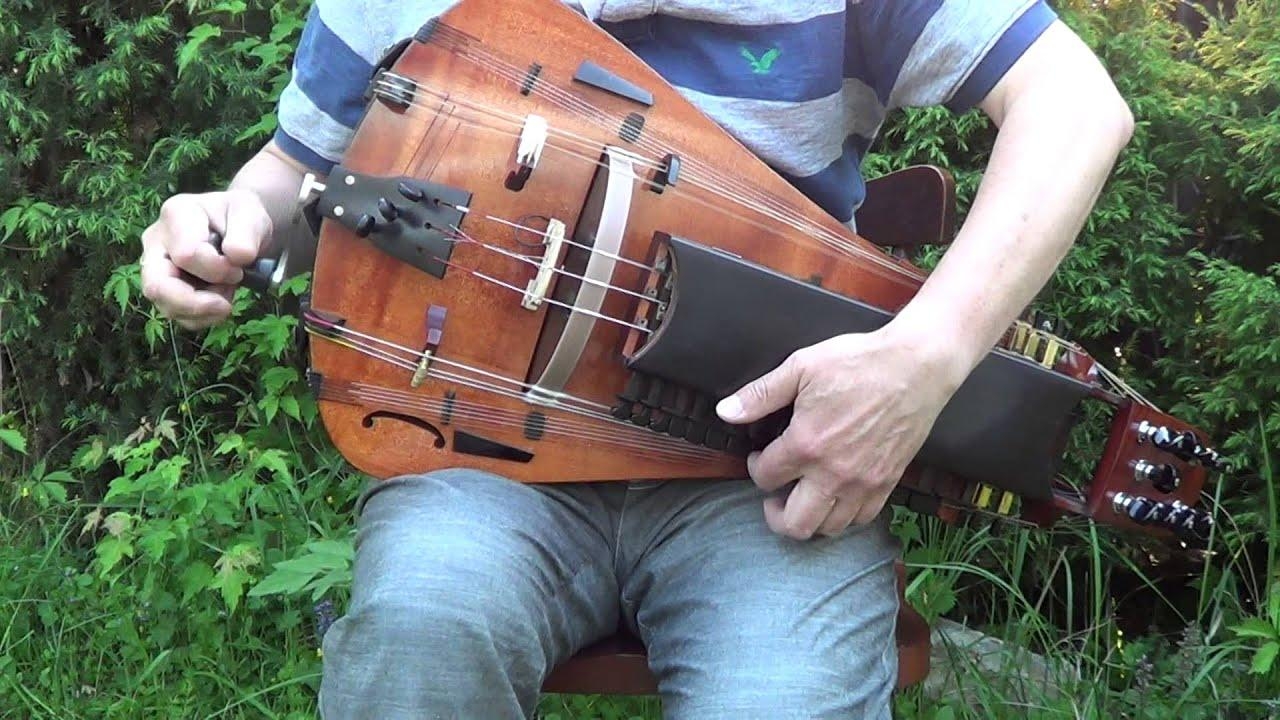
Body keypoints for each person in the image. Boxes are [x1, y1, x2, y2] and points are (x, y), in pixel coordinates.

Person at [139, 0, 1134, 717]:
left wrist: (924, 359)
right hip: (482, 450)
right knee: (421, 637)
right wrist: (230, 220)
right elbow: (301, 181)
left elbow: (1075, 107)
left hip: (763, 472)